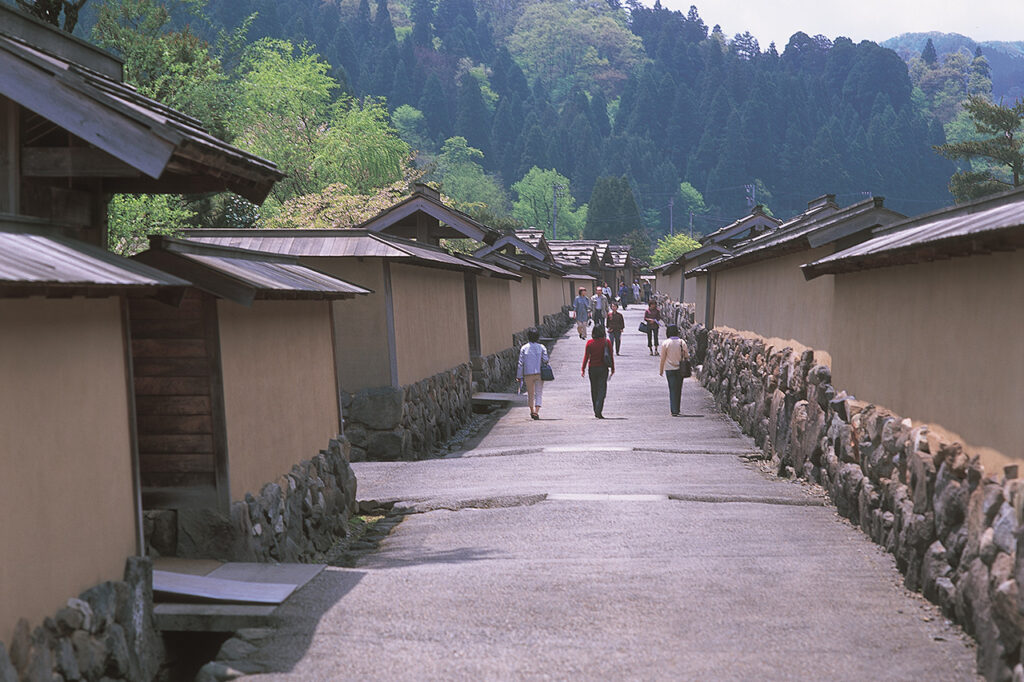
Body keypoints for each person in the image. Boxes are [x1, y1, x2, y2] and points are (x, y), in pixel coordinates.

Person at [581, 325, 614, 418]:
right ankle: (598, 410)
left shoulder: (590, 343)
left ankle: (596, 408)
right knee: (602, 389)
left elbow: (586, 357)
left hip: (592, 368)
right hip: (603, 368)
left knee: (594, 389)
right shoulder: (606, 342)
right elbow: (611, 356)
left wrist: (582, 369)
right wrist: (613, 368)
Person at [517, 327, 550, 420]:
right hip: (539, 373)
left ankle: (531, 410)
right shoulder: (541, 347)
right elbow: (546, 360)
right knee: (539, 393)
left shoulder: (524, 348)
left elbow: (520, 363)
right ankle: (536, 411)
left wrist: (519, 376)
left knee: (530, 393)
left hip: (528, 373)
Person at [659, 324, 690, 417]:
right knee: (678, 389)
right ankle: (677, 408)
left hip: (669, 368)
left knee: (672, 389)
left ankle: (674, 410)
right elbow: (686, 355)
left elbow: (663, 358)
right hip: (680, 369)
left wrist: (661, 370)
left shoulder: (666, 343)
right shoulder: (682, 342)